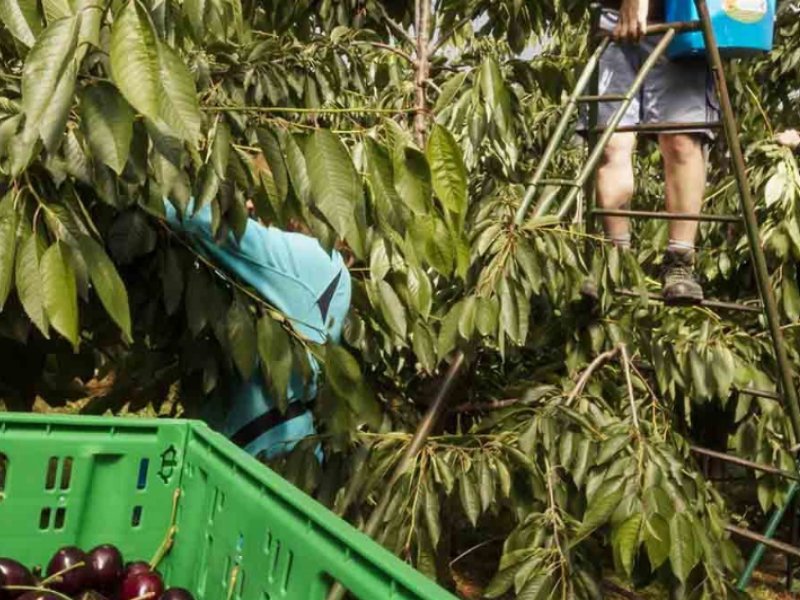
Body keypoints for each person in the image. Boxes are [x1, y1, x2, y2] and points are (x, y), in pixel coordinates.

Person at [163, 191, 351, 461]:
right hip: (265, 447)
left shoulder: (315, 259)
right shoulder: (331, 273)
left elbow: (220, 231)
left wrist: (146, 188)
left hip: (261, 453)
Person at [584, 0, 719, 304]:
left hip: (681, 17)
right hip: (612, 19)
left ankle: (680, 262)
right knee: (610, 143)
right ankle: (616, 260)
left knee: (681, 139)